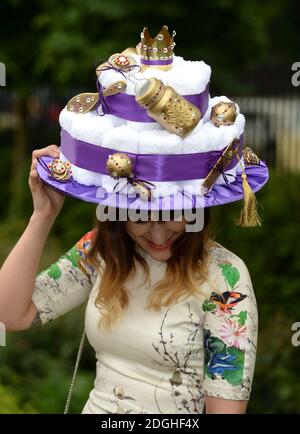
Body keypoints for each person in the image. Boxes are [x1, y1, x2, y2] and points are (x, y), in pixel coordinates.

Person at [0, 25, 269, 414]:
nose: (159, 233)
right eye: (140, 217)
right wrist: (42, 216)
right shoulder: (101, 248)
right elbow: (11, 314)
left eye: (176, 216)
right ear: (117, 212)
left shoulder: (226, 278)